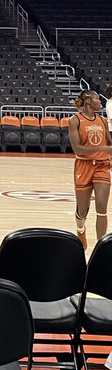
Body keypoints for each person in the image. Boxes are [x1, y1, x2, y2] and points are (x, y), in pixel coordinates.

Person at [68, 89, 112, 250]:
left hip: (102, 165)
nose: (100, 102)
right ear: (88, 101)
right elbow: (78, 149)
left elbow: (109, 142)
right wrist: (103, 148)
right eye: (97, 99)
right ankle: (81, 230)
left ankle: (102, 247)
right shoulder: (75, 120)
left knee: (101, 206)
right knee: (82, 210)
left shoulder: (102, 120)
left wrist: (109, 153)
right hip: (83, 165)